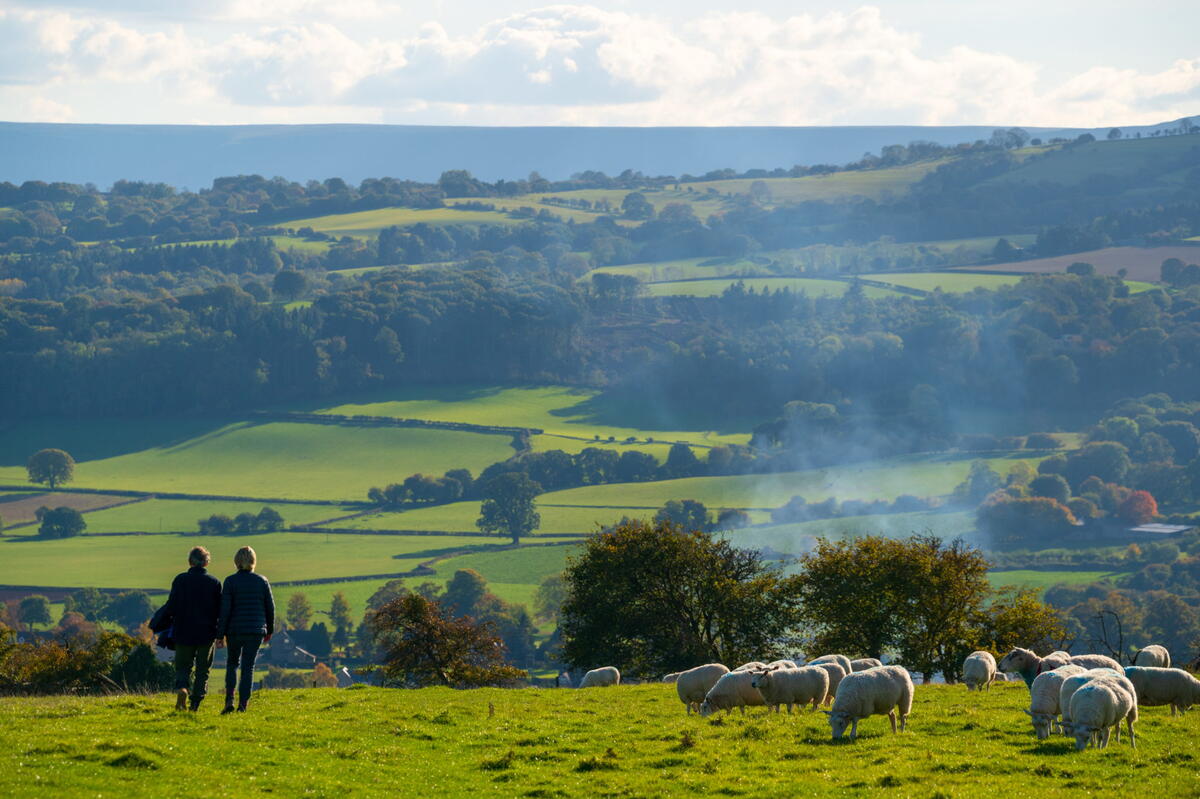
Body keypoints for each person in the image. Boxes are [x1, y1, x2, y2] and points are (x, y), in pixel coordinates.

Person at [216, 545, 275, 714]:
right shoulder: (262, 581)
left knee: (232, 664)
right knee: (248, 666)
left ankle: (229, 700)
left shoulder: (230, 581)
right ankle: (243, 705)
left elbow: (224, 610)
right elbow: (270, 608)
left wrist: (220, 635)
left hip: (234, 630)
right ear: (253, 561)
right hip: (256, 630)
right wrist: (269, 630)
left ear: (236, 562)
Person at [167, 546, 222, 712]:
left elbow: (172, 606)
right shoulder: (214, 583)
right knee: (202, 669)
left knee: (183, 666)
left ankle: (183, 688)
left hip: (183, 631)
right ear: (206, 563)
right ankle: (195, 702)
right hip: (206, 632)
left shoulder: (180, 580)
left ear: (190, 561)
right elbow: (219, 610)